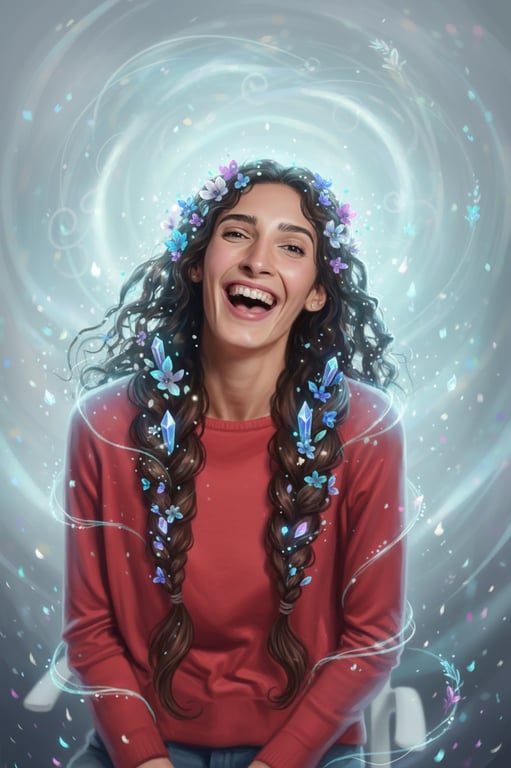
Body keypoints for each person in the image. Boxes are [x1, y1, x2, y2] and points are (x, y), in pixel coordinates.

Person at [63, 158, 407, 768]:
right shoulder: (105, 426)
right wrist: (146, 760)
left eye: (291, 246)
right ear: (198, 261)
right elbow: (91, 630)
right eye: (237, 233)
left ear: (317, 291)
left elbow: (372, 638)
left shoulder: (366, 430)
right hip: (140, 751)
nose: (258, 261)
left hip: (312, 753)